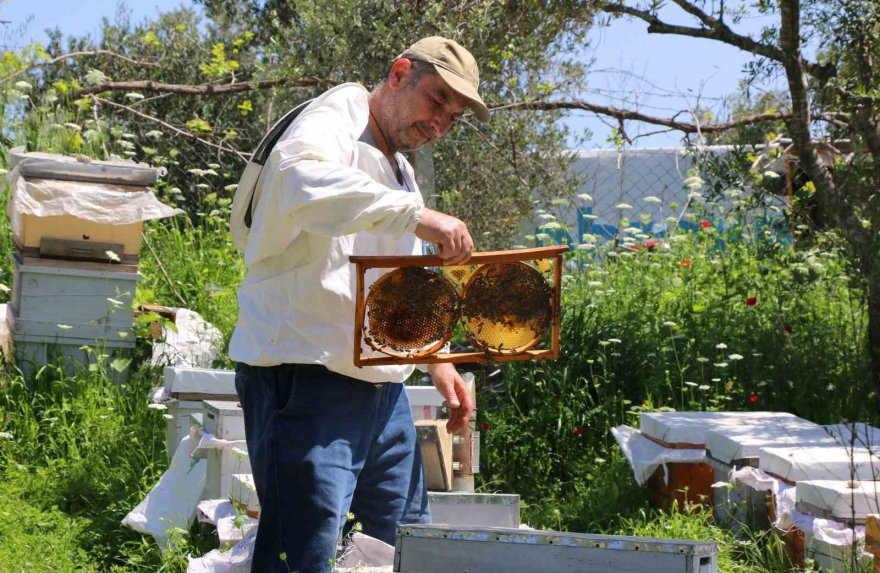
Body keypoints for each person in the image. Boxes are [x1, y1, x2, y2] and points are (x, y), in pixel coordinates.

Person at [228, 36, 489, 573]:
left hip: (383, 391)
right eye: (436, 101)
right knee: (301, 555)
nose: (439, 124)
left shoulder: (400, 169)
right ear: (399, 74)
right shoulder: (332, 118)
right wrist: (418, 216)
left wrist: (437, 359)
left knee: (405, 547)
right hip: (307, 377)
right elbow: (300, 180)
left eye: (453, 117)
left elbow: (396, 284)